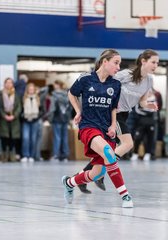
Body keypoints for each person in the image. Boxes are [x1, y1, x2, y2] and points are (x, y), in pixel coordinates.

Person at [77, 49, 159, 193]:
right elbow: (104, 81)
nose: (156, 65)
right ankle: (104, 169)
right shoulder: (126, 75)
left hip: (124, 115)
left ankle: (82, 177)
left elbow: (142, 101)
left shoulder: (149, 80)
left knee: (106, 151)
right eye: (153, 62)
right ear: (143, 61)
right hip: (111, 114)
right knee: (127, 144)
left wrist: (148, 105)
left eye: (157, 63)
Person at [62, 49, 133, 208]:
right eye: (116, 63)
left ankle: (69, 182)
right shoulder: (86, 78)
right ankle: (125, 196)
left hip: (106, 129)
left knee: (97, 173)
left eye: (119, 64)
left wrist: (113, 125)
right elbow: (71, 94)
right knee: (109, 152)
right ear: (104, 61)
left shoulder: (115, 84)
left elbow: (114, 107)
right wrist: (78, 111)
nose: (118, 67)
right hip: (88, 126)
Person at [0, 77, 22, 161]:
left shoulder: (16, 94)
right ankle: (4, 155)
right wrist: (4, 116)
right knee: (4, 137)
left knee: (13, 137)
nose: (8, 84)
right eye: (7, 82)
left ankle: (11, 155)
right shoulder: (0, 94)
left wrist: (14, 115)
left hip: (14, 118)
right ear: (4, 84)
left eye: (10, 82)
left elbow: (19, 107)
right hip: (3, 118)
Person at [48, 80, 72, 161]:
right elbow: (70, 108)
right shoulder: (67, 95)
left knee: (57, 138)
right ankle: (65, 155)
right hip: (65, 119)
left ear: (58, 85)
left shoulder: (54, 95)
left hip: (57, 118)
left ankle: (56, 155)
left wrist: (50, 118)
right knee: (64, 138)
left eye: (55, 84)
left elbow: (52, 108)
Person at [21, 83, 40, 162]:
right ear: (27, 90)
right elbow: (21, 110)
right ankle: (26, 155)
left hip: (35, 121)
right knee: (26, 138)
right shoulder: (24, 98)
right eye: (30, 89)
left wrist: (38, 116)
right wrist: (23, 116)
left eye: (32, 89)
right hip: (26, 121)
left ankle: (32, 155)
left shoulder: (37, 98)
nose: (31, 90)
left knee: (33, 139)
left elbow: (42, 110)